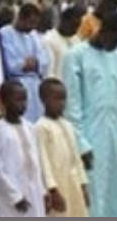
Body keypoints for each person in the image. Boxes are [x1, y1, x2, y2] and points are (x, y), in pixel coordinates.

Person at [62, 10, 117, 218]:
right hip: (90, 138)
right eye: (114, 40)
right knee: (93, 195)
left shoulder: (116, 55)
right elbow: (72, 105)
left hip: (114, 136)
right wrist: (81, 144)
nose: (116, 45)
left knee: (115, 194)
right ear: (103, 31)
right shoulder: (76, 56)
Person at [0, 80, 48, 217]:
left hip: (34, 193)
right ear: (4, 101)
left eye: (25, 99)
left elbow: (36, 163)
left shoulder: (30, 127)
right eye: (18, 99)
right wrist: (14, 196)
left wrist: (43, 191)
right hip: (11, 198)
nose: (23, 104)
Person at [35, 77, 89, 218]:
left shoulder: (67, 125)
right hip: (58, 187)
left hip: (74, 184)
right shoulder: (41, 127)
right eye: (57, 99)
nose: (62, 103)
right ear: (44, 100)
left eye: (64, 99)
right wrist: (52, 190)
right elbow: (43, 163)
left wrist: (83, 185)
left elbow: (76, 158)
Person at [0, 3, 52, 121]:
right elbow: (10, 64)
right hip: (18, 85)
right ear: (21, 18)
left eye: (35, 24)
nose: (33, 27)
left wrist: (36, 63)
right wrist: (24, 64)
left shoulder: (33, 35)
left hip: (36, 85)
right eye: (30, 22)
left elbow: (44, 59)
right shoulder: (5, 34)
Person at [41, 4, 82, 81]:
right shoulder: (49, 40)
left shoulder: (77, 40)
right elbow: (48, 72)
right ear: (63, 21)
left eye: (77, 26)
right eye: (73, 25)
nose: (75, 30)